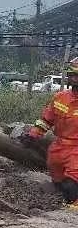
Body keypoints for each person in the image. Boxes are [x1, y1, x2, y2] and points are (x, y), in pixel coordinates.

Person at [27, 57, 78, 209]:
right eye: (72, 75)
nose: (74, 79)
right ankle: (67, 204)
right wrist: (33, 134)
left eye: (77, 76)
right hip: (59, 147)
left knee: (72, 182)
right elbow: (46, 120)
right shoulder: (60, 97)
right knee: (59, 182)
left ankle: (73, 212)